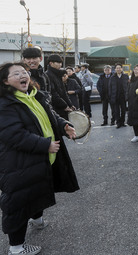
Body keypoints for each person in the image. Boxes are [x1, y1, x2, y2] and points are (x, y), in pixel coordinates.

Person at [0, 62, 79, 255]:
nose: (23, 75)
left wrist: (64, 126)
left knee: (37, 189)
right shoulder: (5, 104)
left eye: (24, 72)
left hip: (40, 158)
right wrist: (45, 145)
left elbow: (50, 116)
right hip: (18, 163)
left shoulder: (34, 96)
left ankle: (36, 219)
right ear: (5, 81)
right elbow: (14, 135)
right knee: (19, 201)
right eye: (16, 73)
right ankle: (17, 248)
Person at [45, 54, 74, 120]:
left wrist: (70, 104)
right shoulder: (47, 75)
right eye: (58, 62)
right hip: (55, 107)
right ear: (51, 63)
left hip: (63, 106)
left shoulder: (58, 74)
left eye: (61, 63)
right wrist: (64, 106)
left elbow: (63, 92)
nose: (60, 64)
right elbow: (53, 93)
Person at [109, 63, 129, 128]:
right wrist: (111, 96)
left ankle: (122, 122)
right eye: (117, 68)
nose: (118, 69)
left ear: (122, 69)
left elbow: (128, 86)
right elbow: (110, 88)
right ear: (115, 69)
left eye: (119, 68)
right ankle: (118, 123)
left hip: (123, 97)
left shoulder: (125, 76)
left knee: (123, 110)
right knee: (116, 111)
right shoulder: (112, 77)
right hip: (115, 97)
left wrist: (127, 95)